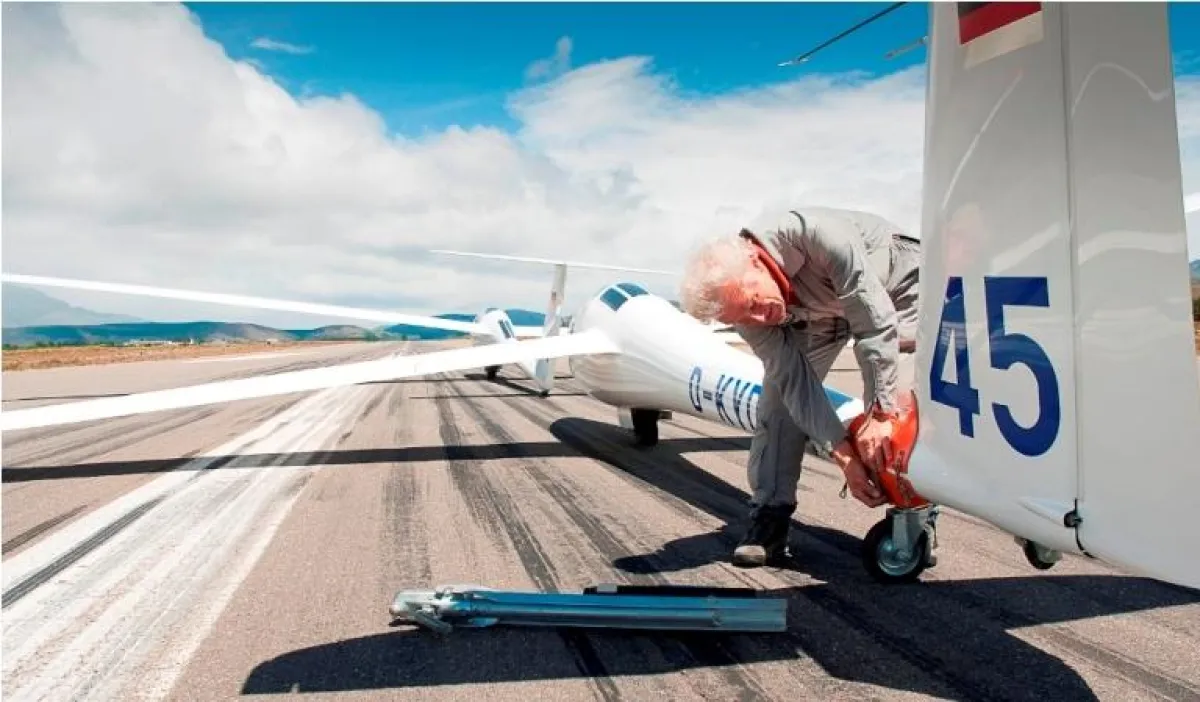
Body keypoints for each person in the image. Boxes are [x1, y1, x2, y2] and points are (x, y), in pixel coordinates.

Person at [678, 206, 921, 567]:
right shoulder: (739, 308)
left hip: (893, 289)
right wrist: (844, 455)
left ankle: (918, 517)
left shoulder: (820, 236)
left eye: (754, 303)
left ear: (755, 262)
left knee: (902, 408)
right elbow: (795, 382)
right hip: (818, 313)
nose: (760, 319)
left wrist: (882, 410)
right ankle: (770, 519)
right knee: (777, 406)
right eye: (744, 318)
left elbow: (874, 324)